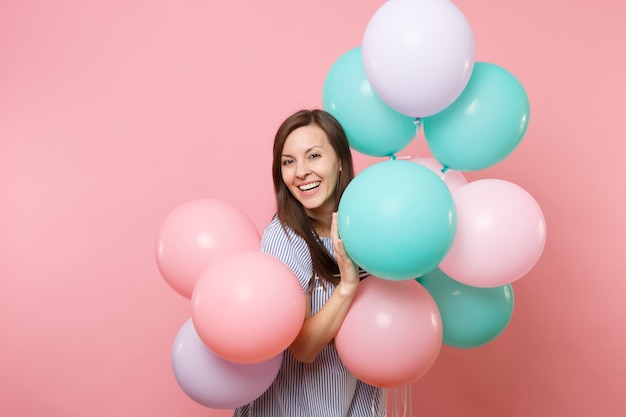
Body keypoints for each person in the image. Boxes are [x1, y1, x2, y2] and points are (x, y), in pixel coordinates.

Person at [234, 109, 386, 417]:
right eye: (288, 162)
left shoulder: (371, 227)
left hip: (358, 401)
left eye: (313, 156)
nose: (300, 172)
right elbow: (302, 349)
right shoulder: (284, 238)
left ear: (341, 160)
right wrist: (346, 286)